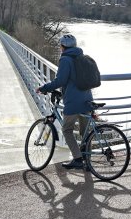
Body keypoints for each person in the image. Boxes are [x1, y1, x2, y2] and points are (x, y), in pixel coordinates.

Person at [35, 34, 94, 170]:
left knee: (67, 130)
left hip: (73, 102)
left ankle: (78, 159)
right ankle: (88, 162)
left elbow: (60, 80)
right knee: (85, 132)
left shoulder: (65, 60)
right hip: (87, 99)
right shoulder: (82, 57)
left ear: (62, 46)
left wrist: (44, 87)